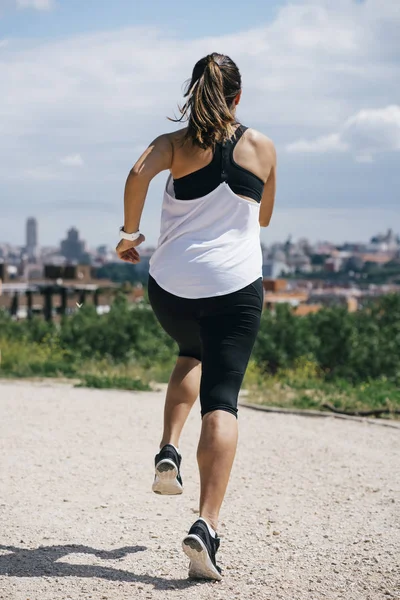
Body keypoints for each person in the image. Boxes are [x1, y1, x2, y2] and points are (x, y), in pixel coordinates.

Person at [116, 52, 276, 581]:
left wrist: (129, 233)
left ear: (194, 92)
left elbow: (137, 174)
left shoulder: (174, 144)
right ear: (237, 97)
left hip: (171, 289)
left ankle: (168, 449)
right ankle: (205, 526)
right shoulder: (261, 146)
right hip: (231, 289)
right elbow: (267, 217)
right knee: (223, 399)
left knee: (191, 351)